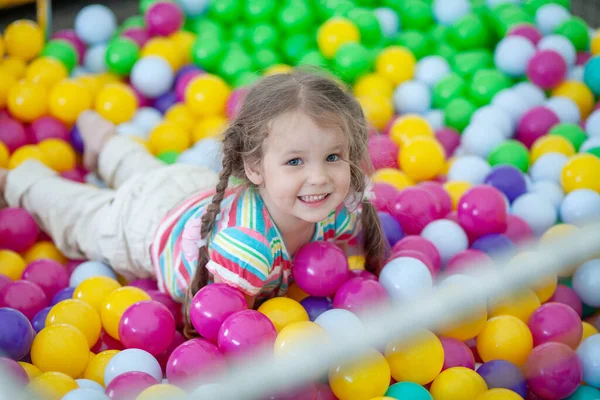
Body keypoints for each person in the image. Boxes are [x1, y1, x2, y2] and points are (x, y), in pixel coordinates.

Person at [0, 69, 386, 338]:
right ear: (253, 167)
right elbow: (232, 327)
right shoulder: (249, 248)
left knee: (142, 169)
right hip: (144, 227)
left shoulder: (332, 206)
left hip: (192, 188)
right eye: (295, 161)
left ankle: (101, 138)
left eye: (333, 157)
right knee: (72, 211)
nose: (319, 177)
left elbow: (352, 248)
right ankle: (16, 180)